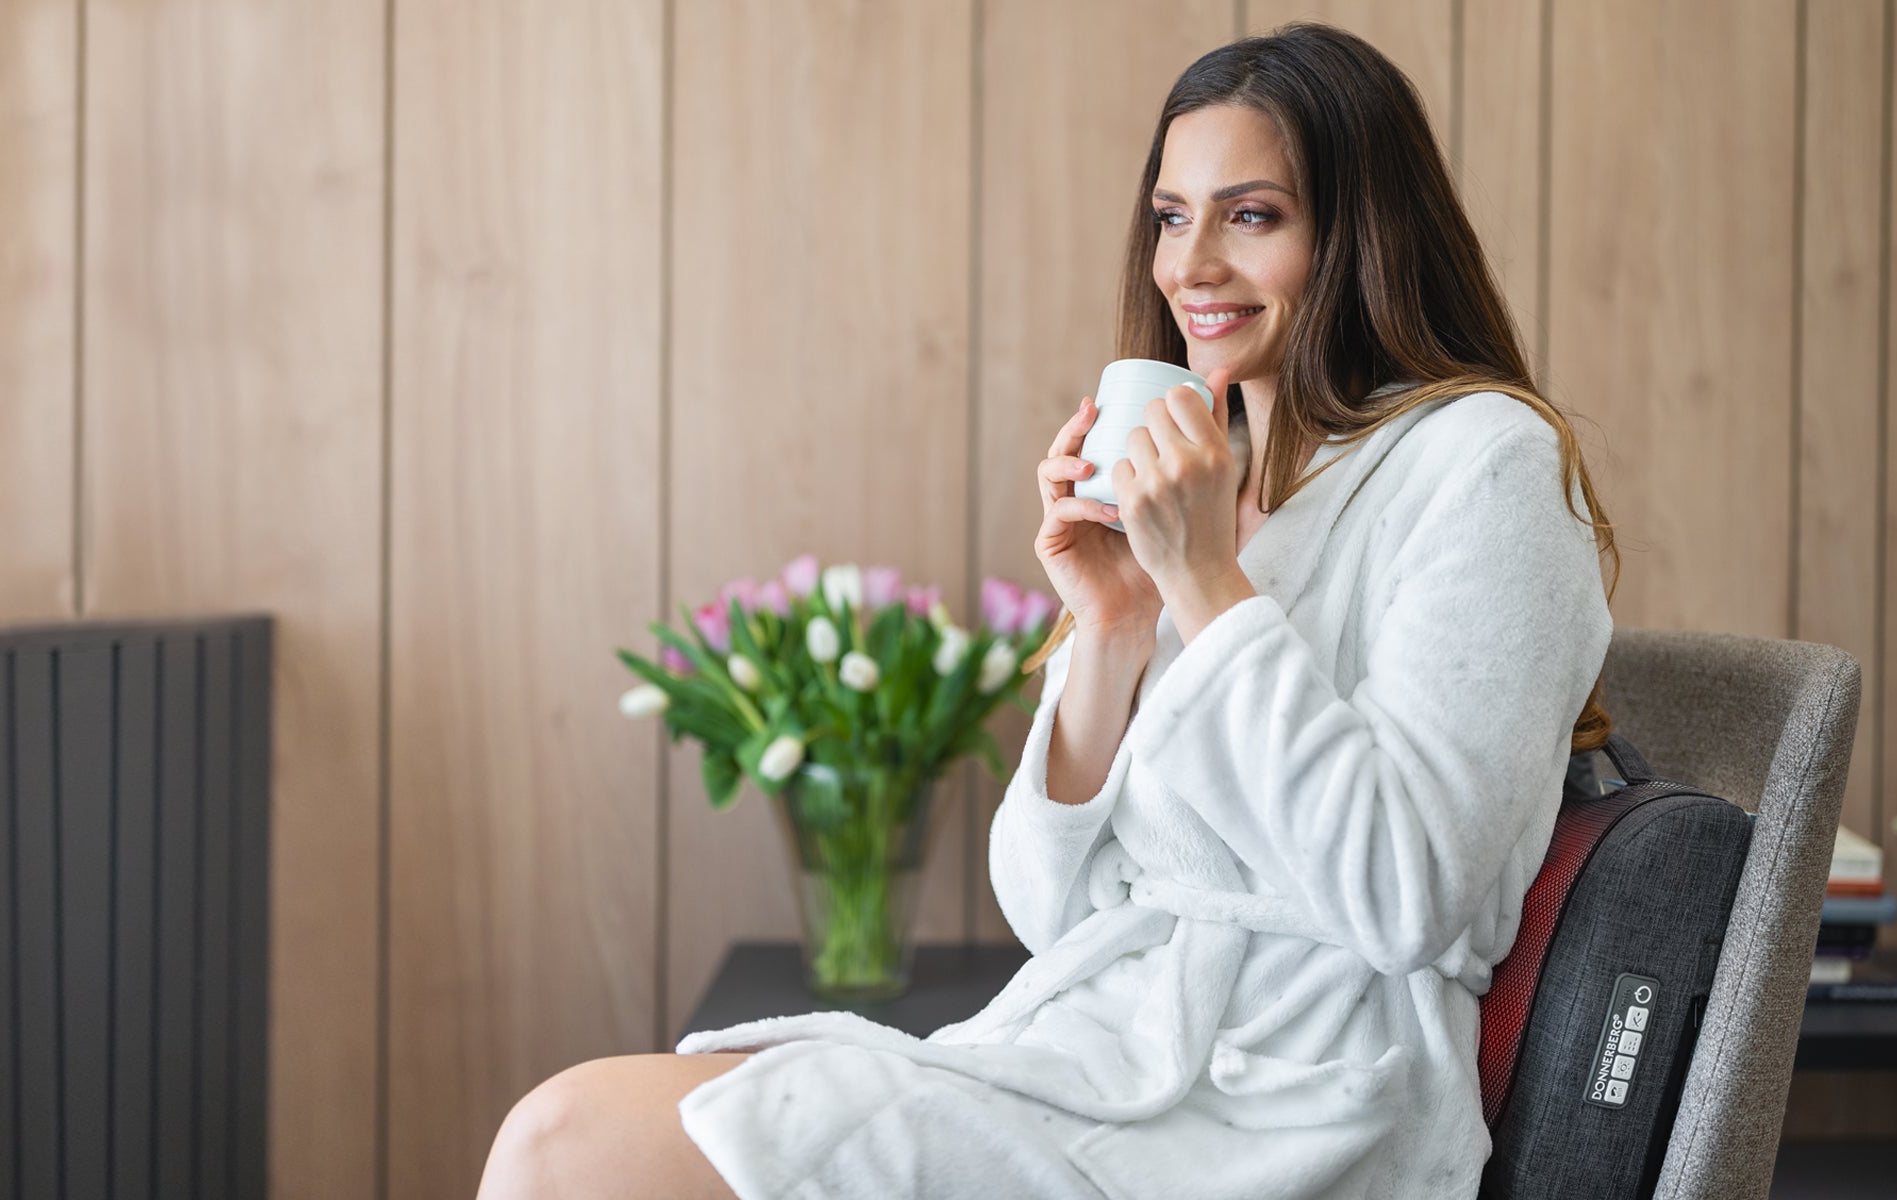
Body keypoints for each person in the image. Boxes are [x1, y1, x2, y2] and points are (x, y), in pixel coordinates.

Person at [476, 20, 1621, 1199]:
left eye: (1251, 215)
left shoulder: (1485, 463)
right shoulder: (1202, 482)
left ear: (1361, 232)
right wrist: (1114, 627)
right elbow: (1046, 909)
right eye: (1171, 216)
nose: (1190, 265)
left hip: (1292, 1108)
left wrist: (1206, 586)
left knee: (571, 1144)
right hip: (1090, 1055)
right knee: (566, 1135)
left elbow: (1411, 891)